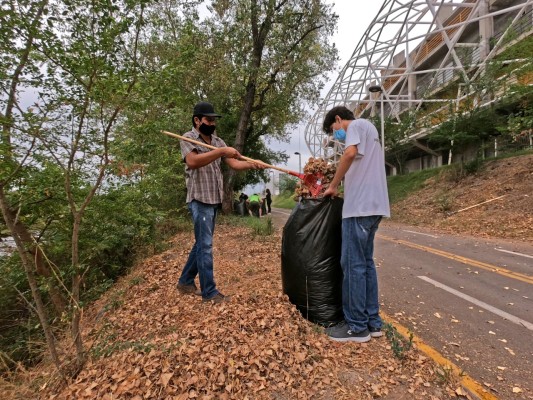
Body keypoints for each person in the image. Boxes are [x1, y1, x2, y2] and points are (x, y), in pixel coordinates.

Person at [177, 101, 264, 303]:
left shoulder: (218, 141)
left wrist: (253, 164)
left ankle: (185, 281)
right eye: (208, 120)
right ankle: (210, 293)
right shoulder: (188, 138)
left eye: (214, 120)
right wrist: (221, 152)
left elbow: (234, 162)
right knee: (205, 246)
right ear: (197, 120)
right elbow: (193, 162)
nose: (212, 123)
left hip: (213, 199)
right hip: (199, 199)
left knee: (201, 243)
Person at [322, 106, 390, 343]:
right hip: (374, 206)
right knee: (366, 265)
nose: (336, 136)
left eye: (334, 130)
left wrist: (333, 185)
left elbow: (349, 154)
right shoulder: (370, 129)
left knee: (352, 265)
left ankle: (356, 327)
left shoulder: (356, 126)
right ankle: (373, 323)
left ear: (339, 120)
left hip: (359, 209)